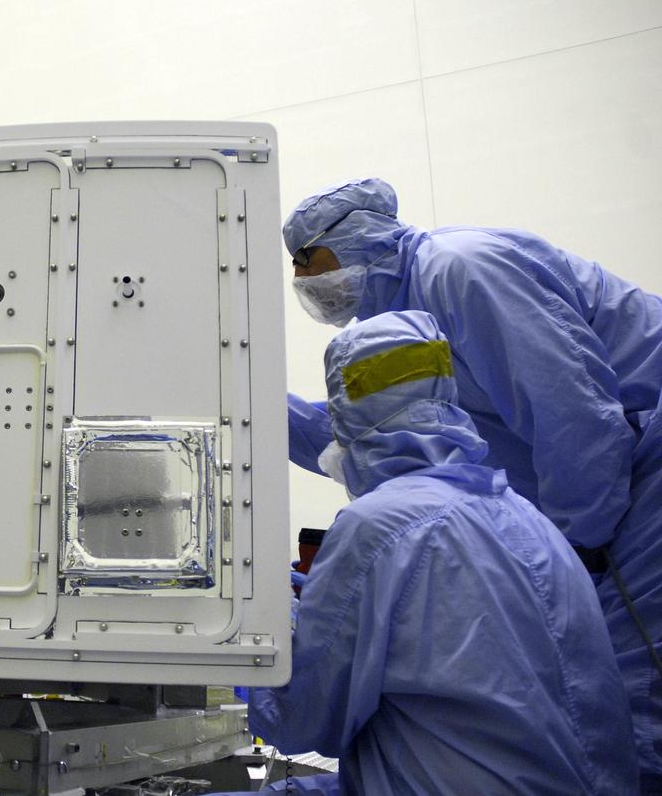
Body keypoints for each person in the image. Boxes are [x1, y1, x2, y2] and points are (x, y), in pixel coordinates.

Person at [283, 177, 662, 787]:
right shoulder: (403, 322)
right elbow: (374, 427)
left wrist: (580, 542)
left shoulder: (459, 268)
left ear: (352, 236)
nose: (301, 277)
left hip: (636, 478)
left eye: (307, 258)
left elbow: (578, 418)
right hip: (586, 505)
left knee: (641, 686)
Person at [242, 310, 637, 795]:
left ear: (344, 417)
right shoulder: (523, 515)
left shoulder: (380, 526)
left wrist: (270, 624)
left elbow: (301, 720)